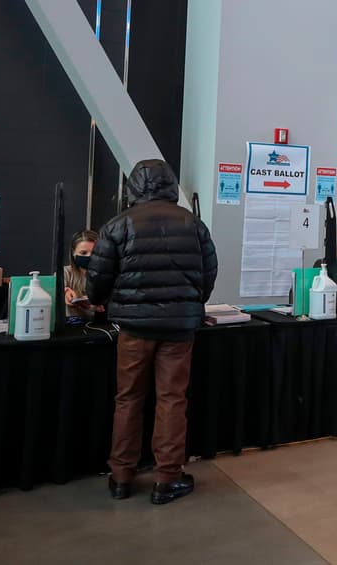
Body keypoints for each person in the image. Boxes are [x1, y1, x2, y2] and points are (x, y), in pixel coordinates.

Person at [88, 159, 217, 505]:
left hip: (133, 328)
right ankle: (167, 478)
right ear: (171, 185)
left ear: (133, 188)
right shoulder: (194, 224)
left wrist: (102, 301)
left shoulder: (117, 225)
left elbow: (98, 279)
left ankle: (121, 476)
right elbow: (208, 275)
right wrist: (191, 302)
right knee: (172, 400)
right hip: (179, 329)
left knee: (128, 399)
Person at [63, 230, 100, 319]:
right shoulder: (65, 273)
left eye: (94, 252)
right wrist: (65, 292)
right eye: (83, 253)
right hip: (74, 327)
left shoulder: (110, 275)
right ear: (73, 252)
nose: (89, 256)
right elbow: (56, 290)